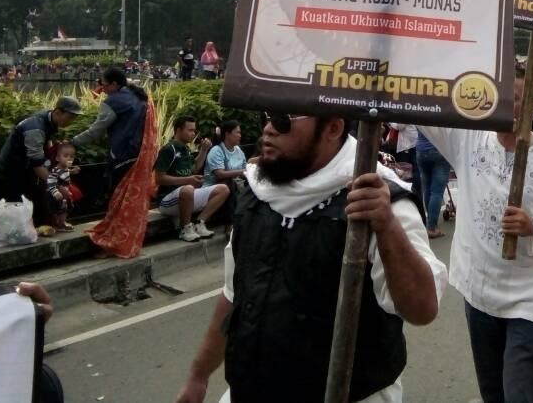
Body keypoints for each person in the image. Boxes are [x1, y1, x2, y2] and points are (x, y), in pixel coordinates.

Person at [175, 111, 446, 403]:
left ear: (332, 127)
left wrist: (386, 226)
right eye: (268, 117)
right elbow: (234, 296)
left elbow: (422, 309)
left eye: (283, 120)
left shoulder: (378, 200)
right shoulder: (257, 193)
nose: (268, 129)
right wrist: (198, 376)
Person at [419, 70, 533, 403]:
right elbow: (424, 108)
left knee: (523, 393)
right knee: (493, 391)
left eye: (518, 99)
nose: (508, 106)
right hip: (479, 292)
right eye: (502, 98)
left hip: (530, 299)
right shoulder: (467, 140)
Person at [72, 67, 158, 258]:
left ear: (114, 84)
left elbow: (96, 130)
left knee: (118, 204)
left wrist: (72, 142)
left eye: (103, 84)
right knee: (130, 204)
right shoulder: (140, 98)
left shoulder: (113, 102)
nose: (100, 87)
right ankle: (127, 241)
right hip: (139, 156)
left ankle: (113, 245)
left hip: (121, 157)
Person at [0, 96, 82, 214]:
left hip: (27, 161)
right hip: (15, 164)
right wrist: (58, 187)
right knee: (17, 200)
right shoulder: (36, 129)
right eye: (70, 118)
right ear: (58, 112)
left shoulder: (50, 118)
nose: (71, 122)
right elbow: (37, 164)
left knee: (32, 196)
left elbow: (47, 142)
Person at [156, 116, 230, 243]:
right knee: (188, 188)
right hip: (167, 200)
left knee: (223, 189)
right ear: (178, 130)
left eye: (194, 130)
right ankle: (185, 228)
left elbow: (194, 169)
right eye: (190, 130)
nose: (193, 133)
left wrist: (204, 150)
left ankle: (199, 223)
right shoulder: (169, 149)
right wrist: (188, 180)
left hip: (188, 195)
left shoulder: (186, 149)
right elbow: (159, 179)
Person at [415, 128, 450, 239]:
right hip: (439, 151)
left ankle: (430, 222)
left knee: (427, 189)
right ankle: (432, 228)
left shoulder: (421, 112)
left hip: (421, 150)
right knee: (437, 192)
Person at [204, 120, 248, 189]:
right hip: (214, 189)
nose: (240, 136)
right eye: (238, 133)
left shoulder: (238, 150)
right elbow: (220, 174)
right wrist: (242, 172)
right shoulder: (216, 150)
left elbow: (245, 168)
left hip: (236, 187)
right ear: (227, 134)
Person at [45, 142, 78, 233]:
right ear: (57, 158)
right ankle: (59, 224)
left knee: (65, 208)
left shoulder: (64, 168)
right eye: (66, 156)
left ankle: (62, 222)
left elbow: (66, 173)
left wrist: (73, 171)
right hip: (56, 193)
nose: (69, 159)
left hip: (64, 193)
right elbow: (50, 181)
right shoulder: (55, 170)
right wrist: (56, 192)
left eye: (71, 156)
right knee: (60, 209)